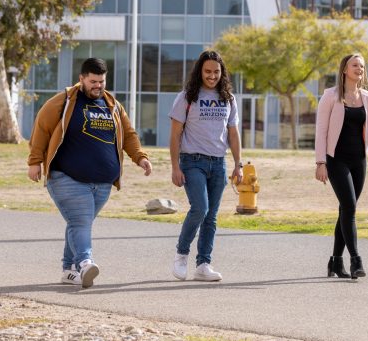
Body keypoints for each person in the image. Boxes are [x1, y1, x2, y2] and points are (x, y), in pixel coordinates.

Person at [27, 58, 152, 288]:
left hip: (102, 183)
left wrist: (140, 157)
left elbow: (128, 133)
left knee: (78, 223)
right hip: (67, 177)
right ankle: (85, 263)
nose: (98, 86)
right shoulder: (64, 101)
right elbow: (41, 128)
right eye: (93, 81)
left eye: (102, 81)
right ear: (82, 79)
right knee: (81, 221)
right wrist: (35, 162)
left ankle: (68, 270)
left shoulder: (112, 104)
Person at [315, 53, 368, 279]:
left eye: (362, 66)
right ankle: (355, 260)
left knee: (346, 209)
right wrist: (320, 162)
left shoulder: (367, 98)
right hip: (336, 160)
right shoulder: (331, 97)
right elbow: (321, 130)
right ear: (344, 69)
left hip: (359, 161)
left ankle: (335, 262)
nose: (359, 69)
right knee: (350, 207)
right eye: (355, 65)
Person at [169, 50, 242, 282]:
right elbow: (175, 135)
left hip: (218, 163)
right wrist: (175, 167)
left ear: (222, 73)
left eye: (216, 72)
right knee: (200, 208)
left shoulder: (228, 99)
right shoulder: (186, 97)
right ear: (200, 72)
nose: (212, 76)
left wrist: (238, 164)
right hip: (193, 162)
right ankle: (181, 255)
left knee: (211, 216)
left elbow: (233, 133)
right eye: (208, 71)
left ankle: (203, 264)